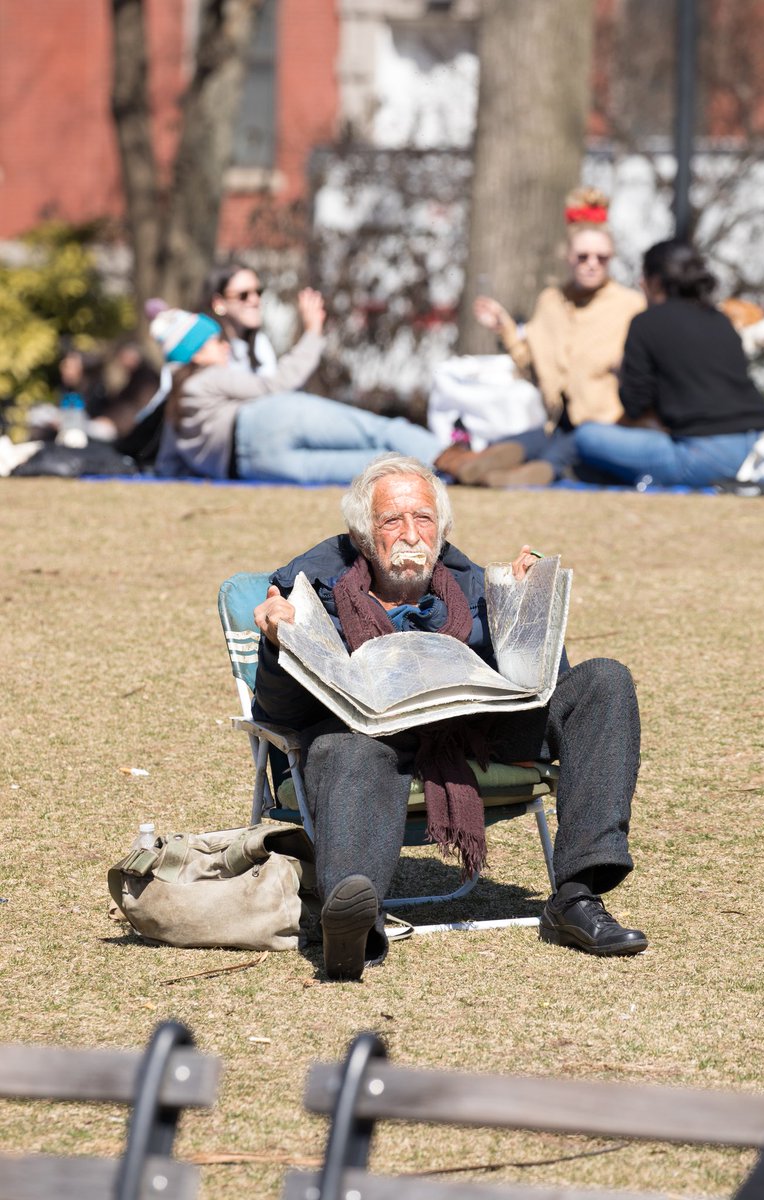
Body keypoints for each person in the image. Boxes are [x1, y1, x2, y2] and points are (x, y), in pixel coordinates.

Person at [252, 453, 648, 981]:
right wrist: (276, 642)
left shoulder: (475, 588)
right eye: (391, 521)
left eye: (423, 518)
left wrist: (527, 610)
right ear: (364, 536)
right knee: (341, 749)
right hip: (370, 738)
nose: (410, 534)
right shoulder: (310, 592)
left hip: (470, 731)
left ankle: (576, 896)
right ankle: (352, 925)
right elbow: (279, 712)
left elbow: (543, 685)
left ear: (441, 531)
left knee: (603, 681)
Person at [450, 187, 645, 487]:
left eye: (602, 258)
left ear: (611, 258)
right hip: (556, 425)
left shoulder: (630, 305)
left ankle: (512, 480)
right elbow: (533, 367)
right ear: (568, 257)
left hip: (602, 429)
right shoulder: (550, 301)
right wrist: (505, 328)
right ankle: (472, 469)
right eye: (582, 256)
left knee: (551, 459)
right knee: (508, 448)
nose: (592, 263)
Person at [149, 308, 450, 483]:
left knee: (370, 467)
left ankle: (437, 471)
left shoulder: (175, 405)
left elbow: (167, 465)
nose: (225, 346)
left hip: (255, 467)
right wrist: (313, 333)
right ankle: (447, 458)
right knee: (374, 430)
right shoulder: (209, 378)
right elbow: (276, 384)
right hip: (267, 421)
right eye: (216, 342)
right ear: (196, 354)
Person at [573, 240, 764, 488]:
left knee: (586, 436)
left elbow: (635, 405)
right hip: (762, 444)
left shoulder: (646, 323)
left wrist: (622, 374)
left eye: (644, 276)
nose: (640, 283)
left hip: (706, 455)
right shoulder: (720, 319)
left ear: (656, 281)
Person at [200, 262, 326, 382]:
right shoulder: (206, 347)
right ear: (219, 302)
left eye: (258, 292)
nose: (255, 300)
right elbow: (273, 385)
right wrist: (312, 332)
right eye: (243, 295)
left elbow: (273, 389)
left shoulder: (260, 344)